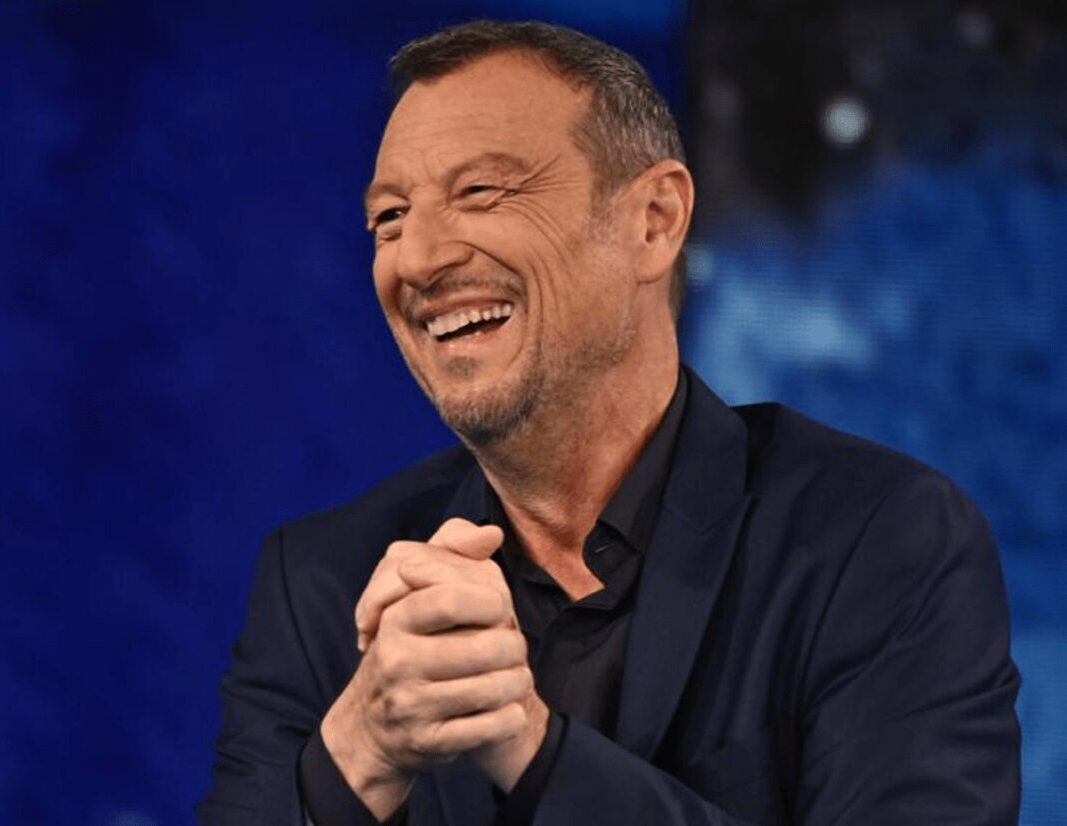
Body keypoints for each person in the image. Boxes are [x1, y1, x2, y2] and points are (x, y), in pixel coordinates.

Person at [198, 20, 1021, 825]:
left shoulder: (877, 542)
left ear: (654, 220)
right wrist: (360, 754)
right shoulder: (320, 584)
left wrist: (532, 751)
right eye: (389, 219)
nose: (416, 259)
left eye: (480, 192)